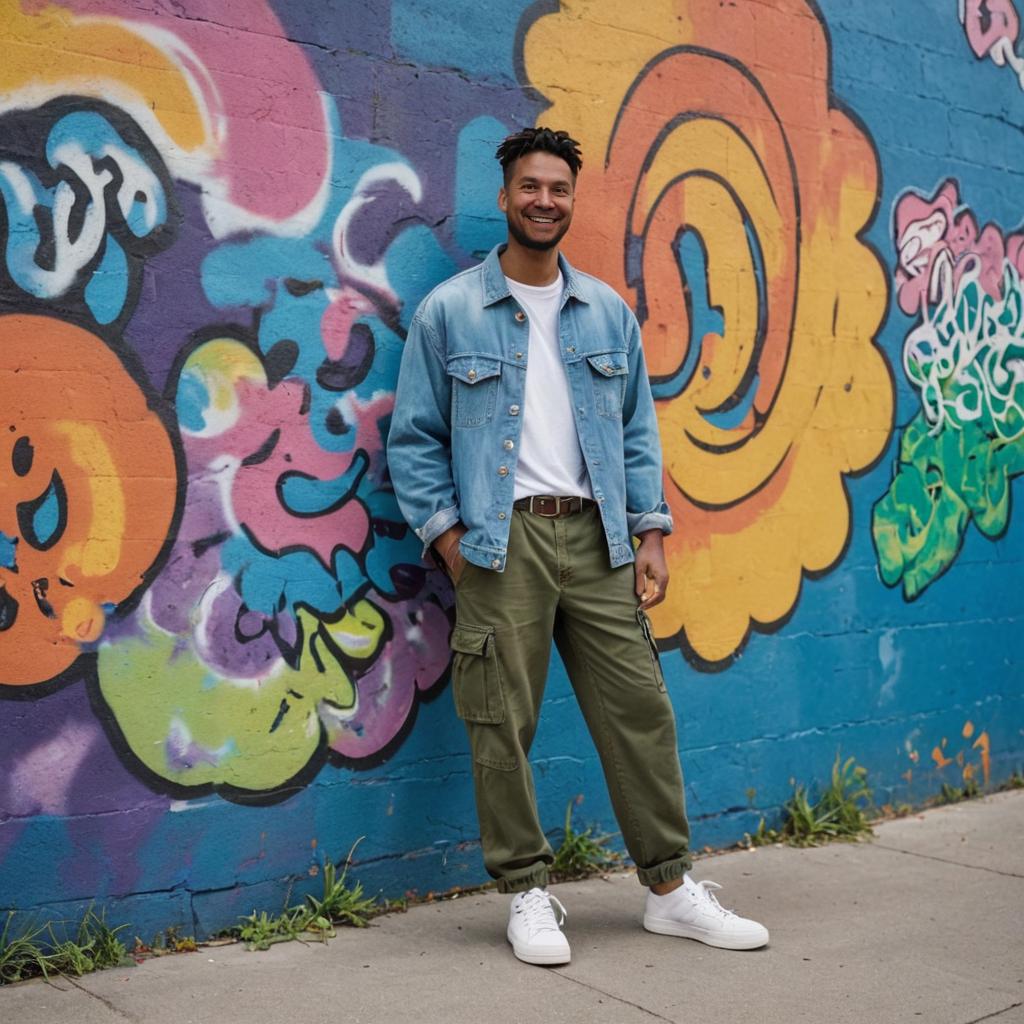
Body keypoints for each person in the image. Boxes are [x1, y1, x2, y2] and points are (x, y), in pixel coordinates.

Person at [387, 127, 768, 965]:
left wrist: (651, 531)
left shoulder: (606, 312)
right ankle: (525, 892)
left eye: (558, 188)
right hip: (499, 541)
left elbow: (637, 433)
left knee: (641, 712)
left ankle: (669, 890)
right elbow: (413, 442)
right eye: (530, 186)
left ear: (571, 197)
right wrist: (452, 543)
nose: (545, 200)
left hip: (599, 540)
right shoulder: (450, 311)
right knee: (501, 723)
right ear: (505, 196)